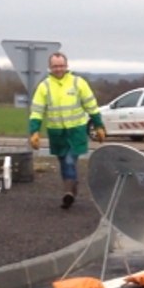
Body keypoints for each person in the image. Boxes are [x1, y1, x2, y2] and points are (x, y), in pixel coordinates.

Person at [28, 52, 106, 208]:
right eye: (55, 66)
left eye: (61, 65)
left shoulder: (78, 83)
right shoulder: (44, 87)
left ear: (67, 66)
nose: (58, 69)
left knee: (70, 160)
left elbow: (91, 105)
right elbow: (37, 111)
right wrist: (34, 131)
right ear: (50, 67)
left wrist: (98, 125)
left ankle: (68, 193)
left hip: (76, 131)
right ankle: (71, 188)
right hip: (57, 133)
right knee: (64, 161)